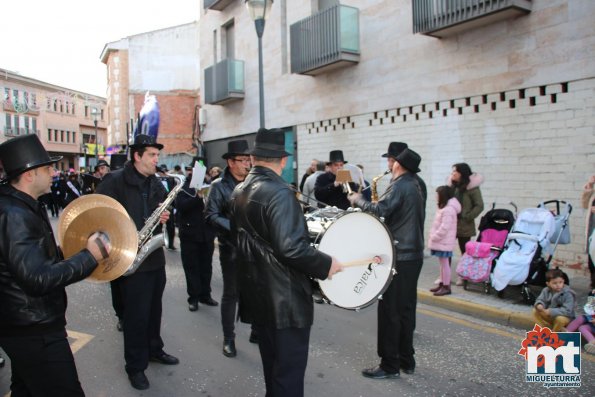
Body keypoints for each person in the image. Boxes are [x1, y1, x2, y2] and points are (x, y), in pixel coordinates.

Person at [230, 128, 342, 397]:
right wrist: (327, 264)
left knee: (274, 372)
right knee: (288, 379)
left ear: (254, 158)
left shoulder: (239, 190)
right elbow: (291, 248)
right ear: (283, 160)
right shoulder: (279, 193)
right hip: (284, 300)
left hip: (259, 296)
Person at [0, 134, 110, 396]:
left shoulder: (19, 205)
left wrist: (66, 252)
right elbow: (36, 279)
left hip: (24, 325)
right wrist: (89, 256)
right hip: (35, 330)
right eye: (48, 168)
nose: (53, 172)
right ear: (29, 174)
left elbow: (29, 260)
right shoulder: (14, 214)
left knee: (26, 388)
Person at [96, 134, 179, 391]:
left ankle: (155, 349)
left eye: (157, 155)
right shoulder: (114, 181)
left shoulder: (154, 182)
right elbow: (99, 215)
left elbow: (160, 209)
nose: (157, 160)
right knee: (135, 317)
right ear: (137, 156)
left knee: (154, 311)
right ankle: (135, 366)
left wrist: (165, 214)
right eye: (152, 155)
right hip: (129, 257)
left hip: (153, 257)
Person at [348, 145, 427, 379]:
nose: (389, 166)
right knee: (406, 309)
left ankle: (389, 365)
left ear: (398, 164)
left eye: (392, 162)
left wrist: (357, 199)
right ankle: (406, 360)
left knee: (390, 311)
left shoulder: (401, 185)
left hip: (399, 255)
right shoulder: (417, 183)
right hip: (414, 255)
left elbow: (379, 211)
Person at [205, 139, 256, 357]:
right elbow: (210, 215)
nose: (247, 164)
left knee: (257, 290)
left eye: (249, 159)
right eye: (243, 160)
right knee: (231, 294)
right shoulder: (218, 186)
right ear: (230, 162)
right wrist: (236, 228)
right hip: (232, 249)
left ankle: (256, 330)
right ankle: (229, 338)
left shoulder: (255, 182)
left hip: (255, 249)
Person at [176, 158, 217, 311]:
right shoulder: (183, 187)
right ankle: (193, 298)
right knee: (191, 267)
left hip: (206, 233)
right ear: (191, 170)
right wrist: (197, 197)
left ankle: (205, 295)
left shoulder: (211, 185)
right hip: (189, 233)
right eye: (195, 169)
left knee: (206, 267)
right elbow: (181, 206)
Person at [447, 162, 484, 286]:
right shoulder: (451, 187)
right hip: (451, 223)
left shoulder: (472, 188)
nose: (452, 174)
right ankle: (444, 275)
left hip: (464, 224)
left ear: (462, 174)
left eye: (455, 172)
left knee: (464, 251)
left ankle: (463, 275)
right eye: (452, 172)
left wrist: (467, 216)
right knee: (446, 249)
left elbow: (479, 205)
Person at [428, 186, 461, 296]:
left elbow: (444, 228)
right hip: (442, 241)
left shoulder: (448, 210)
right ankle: (442, 284)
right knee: (442, 264)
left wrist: (434, 236)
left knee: (445, 264)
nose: (436, 197)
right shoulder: (445, 207)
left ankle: (446, 286)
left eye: (437, 194)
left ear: (443, 196)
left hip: (444, 242)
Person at [157, 164, 177, 250]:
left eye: (164, 172)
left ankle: (171, 244)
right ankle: (158, 244)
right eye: (161, 172)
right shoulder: (155, 180)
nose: (163, 174)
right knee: (159, 227)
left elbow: (174, 192)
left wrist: (174, 206)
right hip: (159, 205)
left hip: (169, 205)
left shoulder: (171, 180)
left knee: (171, 226)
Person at [581, 175, 595, 290]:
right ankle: (592, 302)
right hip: (592, 233)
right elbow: (585, 205)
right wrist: (590, 187)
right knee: (592, 265)